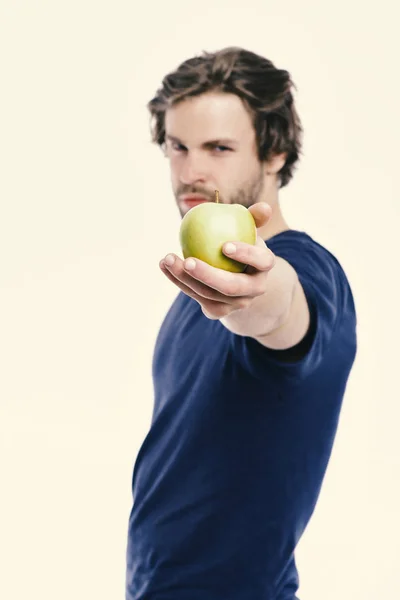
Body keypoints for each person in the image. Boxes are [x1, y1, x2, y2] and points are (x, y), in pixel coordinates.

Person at [125, 46, 357, 600]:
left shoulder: (301, 271)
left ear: (274, 152)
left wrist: (263, 295)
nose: (191, 171)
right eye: (177, 147)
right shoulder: (199, 288)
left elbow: (281, 312)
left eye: (219, 148)